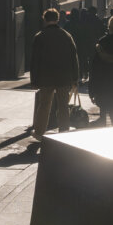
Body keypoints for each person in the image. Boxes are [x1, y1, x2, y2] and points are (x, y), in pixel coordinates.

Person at [29, 8, 78, 138]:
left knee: (44, 105)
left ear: (44, 19)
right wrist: (75, 78)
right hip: (64, 76)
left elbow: (35, 60)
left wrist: (34, 80)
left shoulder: (40, 36)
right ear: (58, 19)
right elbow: (74, 57)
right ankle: (64, 132)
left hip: (46, 77)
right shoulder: (66, 35)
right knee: (63, 105)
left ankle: (39, 132)